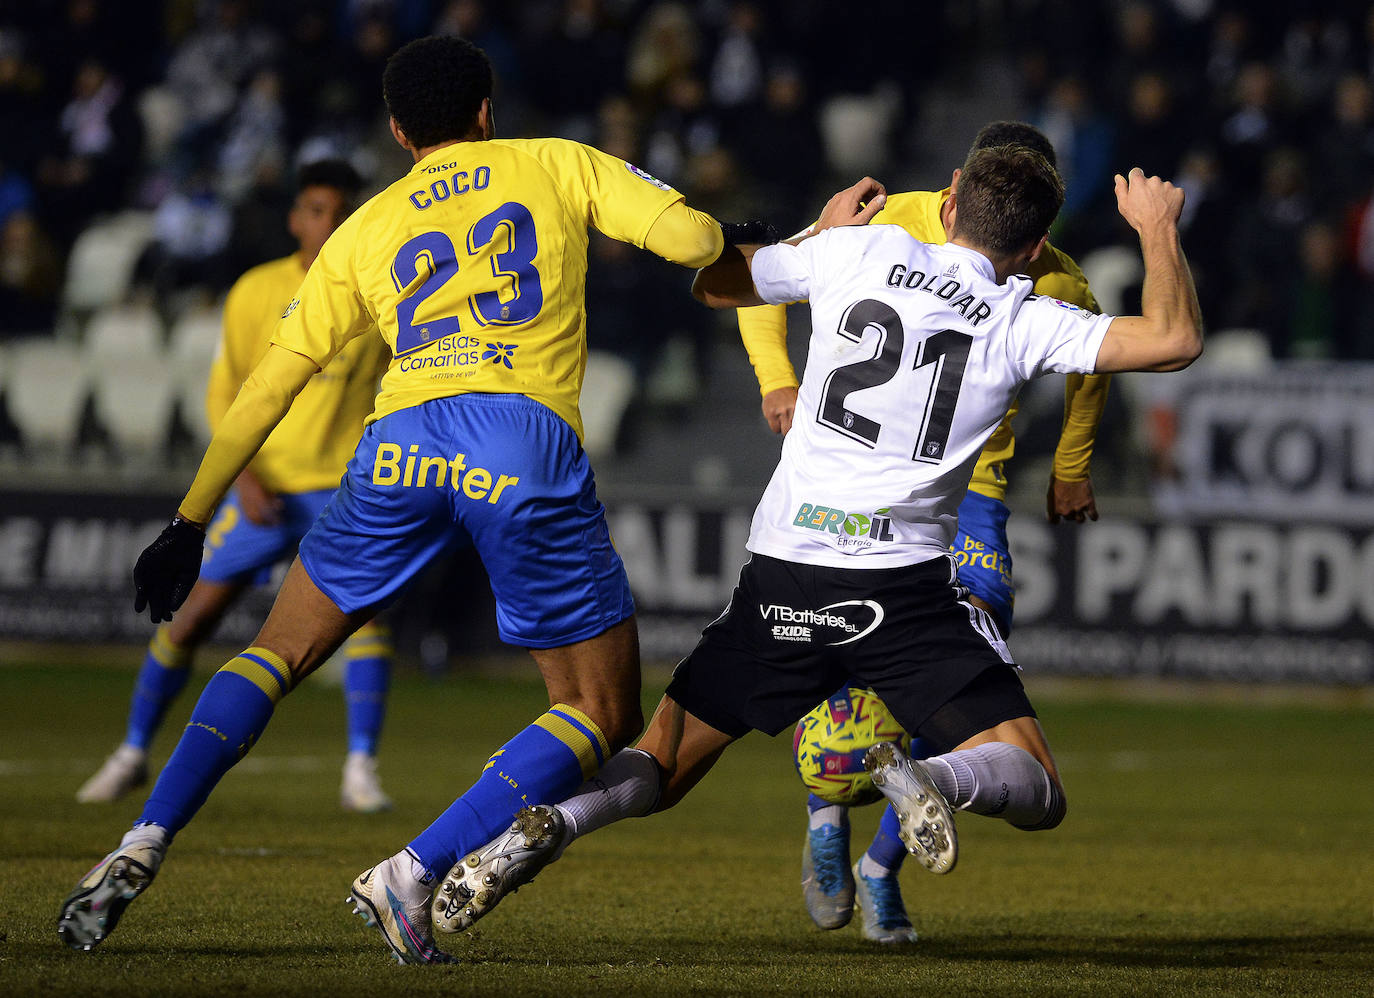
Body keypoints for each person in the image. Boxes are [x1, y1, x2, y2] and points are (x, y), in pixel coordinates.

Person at [57, 34, 742, 965]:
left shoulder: (365, 228)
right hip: (518, 440)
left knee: (276, 651)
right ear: (487, 112)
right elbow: (697, 241)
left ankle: (143, 838)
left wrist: (187, 519)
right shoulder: (555, 162)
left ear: (396, 130)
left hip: (399, 444)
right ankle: (411, 871)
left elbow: (268, 386)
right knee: (598, 711)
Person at [426, 154, 1203, 944]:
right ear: (1036, 250)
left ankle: (556, 824)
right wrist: (1157, 229)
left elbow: (715, 285)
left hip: (785, 576)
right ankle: (927, 774)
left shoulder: (860, 249)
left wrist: (818, 228)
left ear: (949, 203)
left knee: (662, 760)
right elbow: (1174, 338)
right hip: (901, 594)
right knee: (1037, 785)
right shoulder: (1025, 317)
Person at [737, 121, 1109, 943]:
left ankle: (882, 864)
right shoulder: (888, 219)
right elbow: (759, 282)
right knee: (843, 644)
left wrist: (1071, 466)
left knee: (970, 660)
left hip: (969, 491)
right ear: (963, 189)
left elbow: (1094, 371)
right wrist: (778, 380)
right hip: (859, 478)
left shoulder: (1063, 282)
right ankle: (825, 816)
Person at [75, 159, 397, 815]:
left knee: (363, 625)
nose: (326, 223)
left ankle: (361, 770)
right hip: (264, 489)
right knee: (188, 617)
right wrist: (244, 474)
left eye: (338, 211)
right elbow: (227, 393)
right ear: (295, 217)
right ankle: (132, 752)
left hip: (341, 492)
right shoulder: (256, 290)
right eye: (314, 209)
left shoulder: (383, 287)